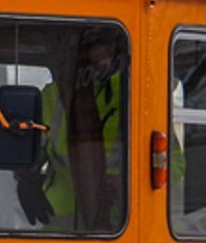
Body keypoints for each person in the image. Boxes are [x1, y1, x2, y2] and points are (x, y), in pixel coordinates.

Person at [16, 37, 126, 231]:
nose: (94, 61)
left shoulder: (133, 96)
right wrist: (27, 180)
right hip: (57, 221)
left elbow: (175, 165)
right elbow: (30, 151)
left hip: (121, 221)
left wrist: (126, 185)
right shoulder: (51, 96)